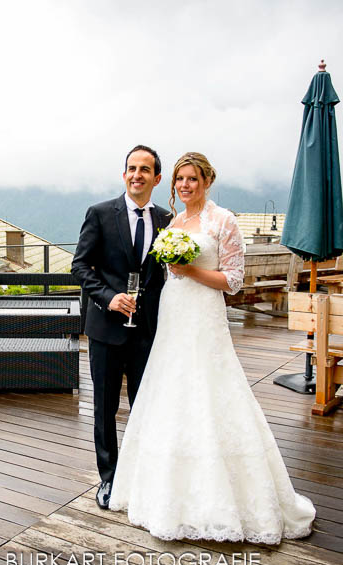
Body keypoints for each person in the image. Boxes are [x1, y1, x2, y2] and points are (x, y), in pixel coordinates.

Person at [108, 152, 316, 543]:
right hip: (173, 313)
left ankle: (221, 497)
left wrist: (191, 271)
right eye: (179, 180)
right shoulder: (173, 222)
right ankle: (165, 494)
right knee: (171, 390)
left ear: (206, 181)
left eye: (192, 179)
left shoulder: (224, 220)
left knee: (209, 388)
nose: (185, 185)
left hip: (204, 315)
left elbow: (234, 280)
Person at [71, 145, 172, 510]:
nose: (137, 175)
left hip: (148, 331)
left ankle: (142, 472)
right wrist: (109, 298)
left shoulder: (166, 220)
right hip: (106, 330)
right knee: (105, 406)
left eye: (145, 169)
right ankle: (110, 477)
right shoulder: (98, 214)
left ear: (157, 178)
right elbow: (80, 268)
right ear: (123, 173)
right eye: (131, 168)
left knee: (145, 405)